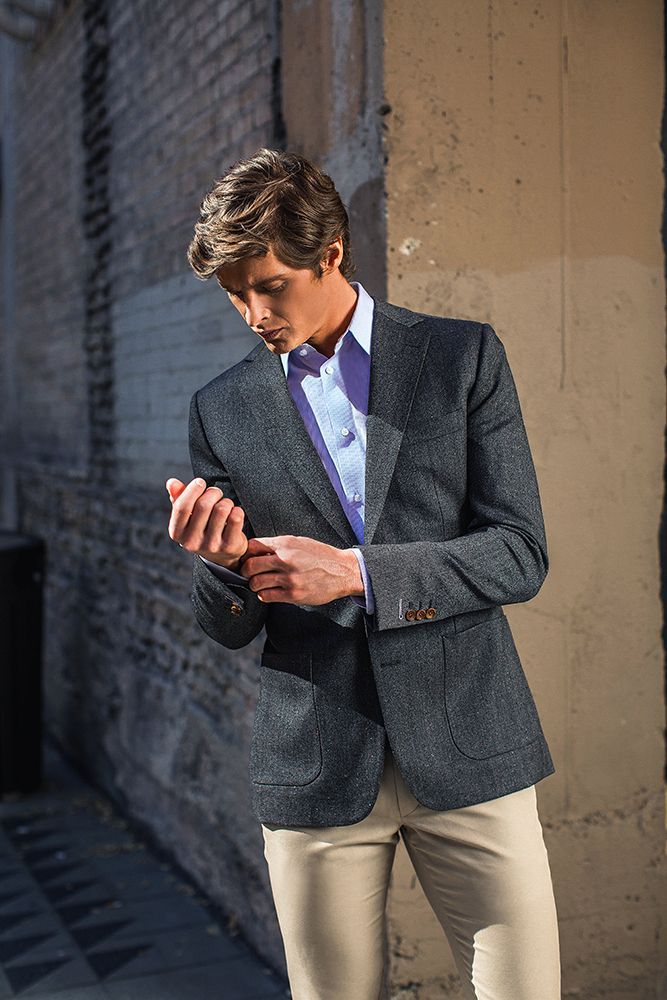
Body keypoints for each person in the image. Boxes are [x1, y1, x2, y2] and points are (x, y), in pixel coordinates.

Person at [166, 147, 561, 1000]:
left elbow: (518, 552)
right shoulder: (221, 408)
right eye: (234, 293)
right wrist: (222, 567)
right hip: (313, 762)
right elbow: (226, 625)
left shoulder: (460, 358)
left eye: (267, 285)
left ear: (330, 254)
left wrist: (354, 574)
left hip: (468, 742)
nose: (251, 314)